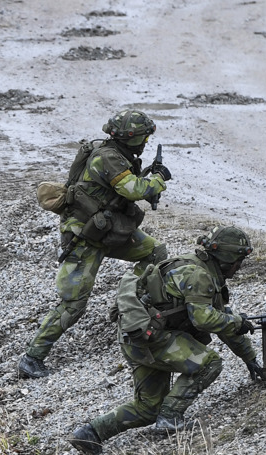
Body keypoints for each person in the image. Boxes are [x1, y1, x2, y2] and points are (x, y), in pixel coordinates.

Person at [69, 225, 266, 455]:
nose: (239, 267)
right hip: (155, 340)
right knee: (209, 362)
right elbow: (205, 319)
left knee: (147, 408)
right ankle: (171, 417)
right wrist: (237, 322)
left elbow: (219, 321)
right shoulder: (200, 276)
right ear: (227, 257)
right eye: (238, 260)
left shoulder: (194, 266)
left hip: (136, 340)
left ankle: (90, 433)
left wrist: (250, 359)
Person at [18, 109, 171, 378]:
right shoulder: (108, 157)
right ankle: (32, 358)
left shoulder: (117, 154)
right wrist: (157, 180)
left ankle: (132, 303)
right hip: (85, 238)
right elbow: (134, 189)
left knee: (155, 253)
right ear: (131, 138)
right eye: (144, 138)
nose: (146, 142)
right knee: (73, 305)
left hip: (109, 230)